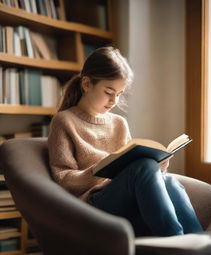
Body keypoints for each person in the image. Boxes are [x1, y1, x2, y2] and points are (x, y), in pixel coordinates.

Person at [48, 46, 202, 236]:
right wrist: (100, 168)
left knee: (168, 181)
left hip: (123, 196)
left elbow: (135, 169)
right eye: (109, 92)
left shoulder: (119, 123)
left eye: (119, 94)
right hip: (92, 203)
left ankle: (196, 242)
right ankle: (176, 241)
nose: (114, 101)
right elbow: (63, 178)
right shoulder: (64, 120)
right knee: (143, 167)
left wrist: (159, 165)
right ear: (87, 84)